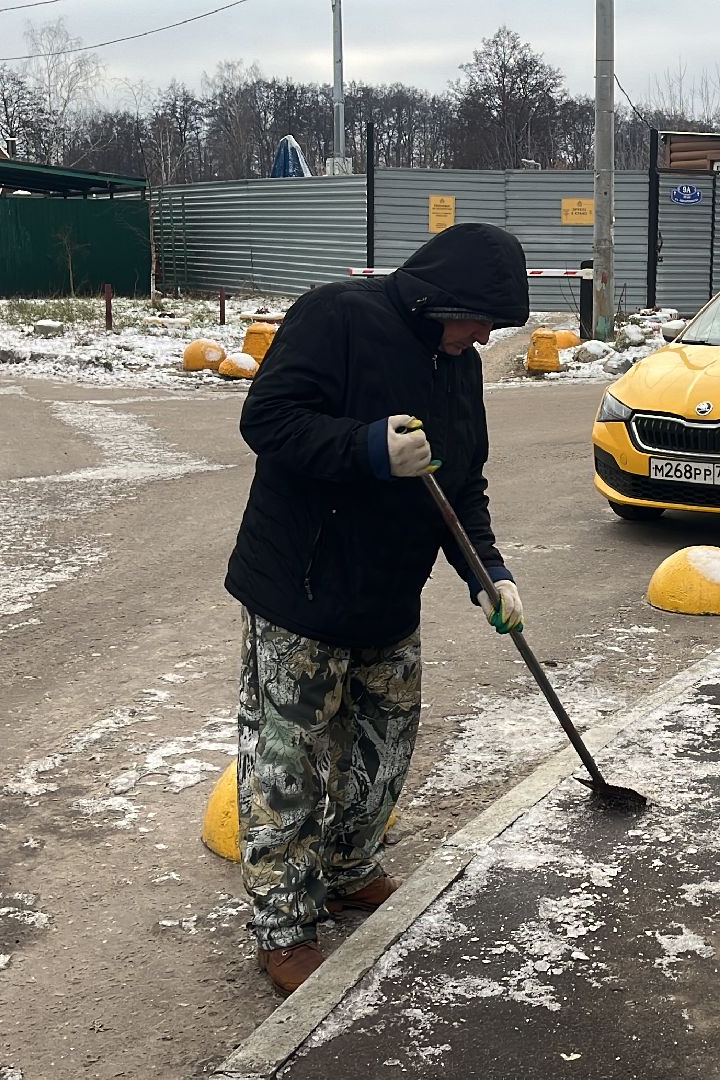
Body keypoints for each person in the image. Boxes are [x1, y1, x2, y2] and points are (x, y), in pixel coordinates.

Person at [225, 222, 530, 994]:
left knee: (383, 746)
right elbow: (267, 421)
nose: (486, 334)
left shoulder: (460, 366)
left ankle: (347, 867)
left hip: (390, 595)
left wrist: (487, 572)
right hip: (300, 591)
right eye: (480, 317)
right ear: (440, 298)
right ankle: (284, 928)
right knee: (286, 768)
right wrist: (367, 448)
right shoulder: (337, 317)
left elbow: (463, 486)